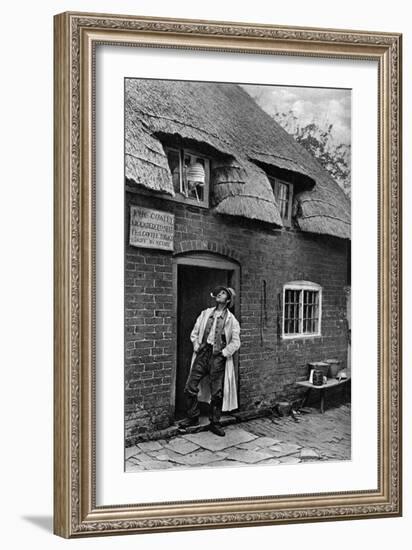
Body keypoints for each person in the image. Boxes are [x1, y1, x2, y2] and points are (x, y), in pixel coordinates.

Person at [179, 286, 241, 436]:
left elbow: (236, 342)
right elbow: (194, 332)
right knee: (190, 386)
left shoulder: (232, 320)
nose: (219, 295)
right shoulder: (206, 313)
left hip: (217, 357)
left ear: (227, 300)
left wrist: (224, 353)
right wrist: (196, 346)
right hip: (203, 353)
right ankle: (193, 416)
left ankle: (215, 422)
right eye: (219, 293)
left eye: (223, 294)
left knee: (217, 392)